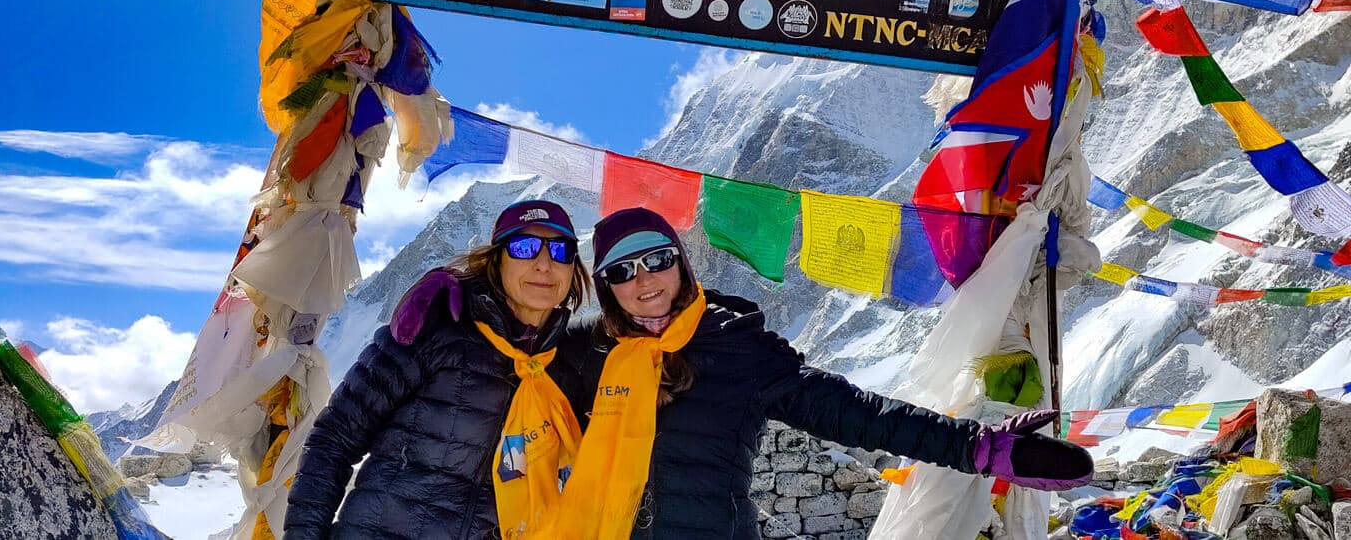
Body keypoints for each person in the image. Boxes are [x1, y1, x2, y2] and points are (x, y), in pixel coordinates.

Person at [556, 208, 1094, 540]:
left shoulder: (738, 348)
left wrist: (974, 447)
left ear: (681, 262)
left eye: (656, 259)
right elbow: (499, 379)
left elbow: (850, 412)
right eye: (621, 271)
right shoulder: (587, 352)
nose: (642, 279)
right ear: (606, 288)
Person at [285, 201, 592, 539]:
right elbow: (335, 438)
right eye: (525, 247)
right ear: (496, 259)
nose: (544, 264)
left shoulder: (567, 368)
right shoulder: (436, 327)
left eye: (561, 251)